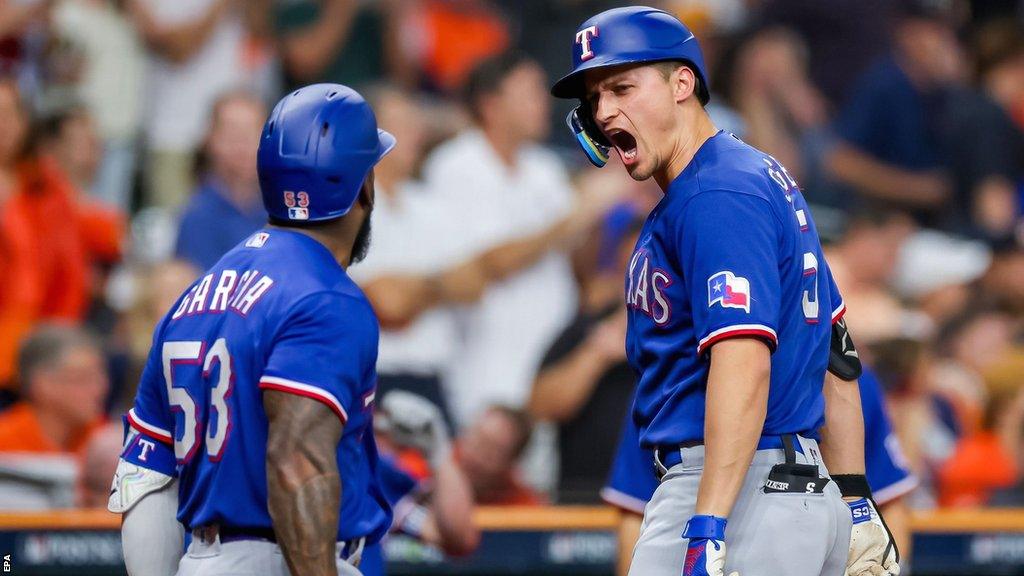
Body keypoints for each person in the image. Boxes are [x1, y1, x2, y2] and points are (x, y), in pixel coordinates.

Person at [551, 7, 896, 576]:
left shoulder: (716, 193)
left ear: (682, 82)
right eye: (594, 98)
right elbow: (835, 351)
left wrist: (709, 527)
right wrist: (855, 502)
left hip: (735, 493)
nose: (604, 110)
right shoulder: (753, 175)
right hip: (787, 488)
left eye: (621, 87)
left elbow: (743, 360)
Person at [109, 84, 395, 576]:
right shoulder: (327, 299)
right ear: (362, 185)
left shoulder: (195, 294)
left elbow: (145, 478)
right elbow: (295, 466)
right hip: (286, 560)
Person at [602, 367, 918, 576]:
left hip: (793, 511)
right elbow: (634, 508)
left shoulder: (849, 381)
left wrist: (705, 529)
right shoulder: (672, 379)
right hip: (711, 513)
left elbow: (888, 504)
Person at [175, 91, 267, 271]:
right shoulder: (197, 217)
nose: (243, 144)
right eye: (233, 132)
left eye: (253, 132)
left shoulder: (286, 210)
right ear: (210, 140)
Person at [0, 325, 109, 454]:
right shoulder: (5, 444)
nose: (101, 388)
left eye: (100, 376)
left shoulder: (106, 439)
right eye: (82, 378)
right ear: (42, 385)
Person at [453, 404, 542, 505]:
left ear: (511, 463)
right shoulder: (437, 465)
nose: (477, 457)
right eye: (477, 441)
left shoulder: (522, 509)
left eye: (492, 453)